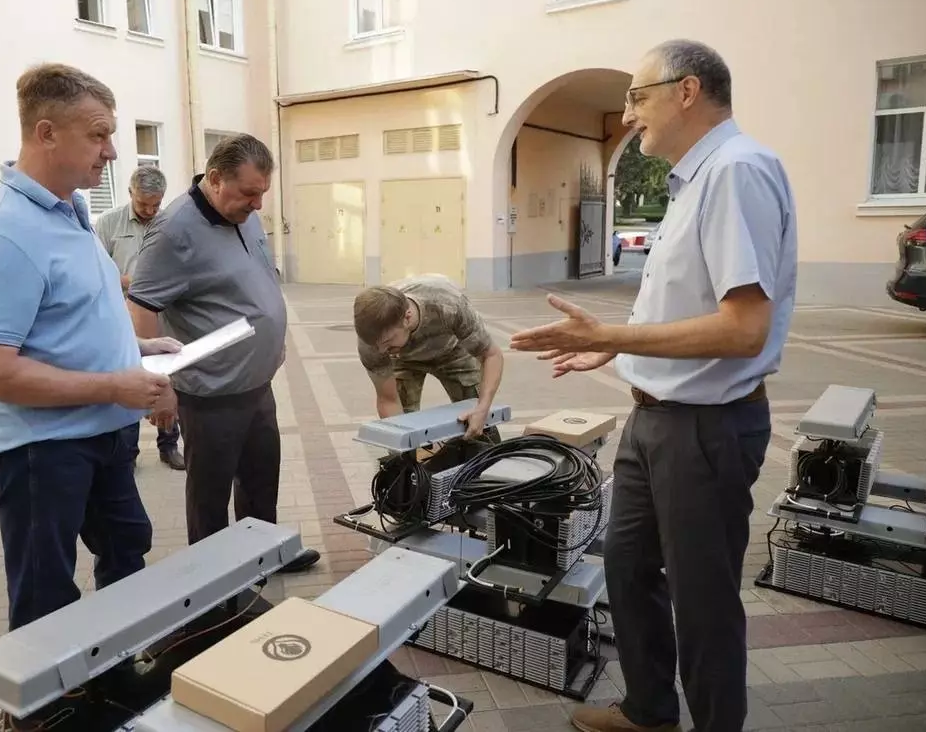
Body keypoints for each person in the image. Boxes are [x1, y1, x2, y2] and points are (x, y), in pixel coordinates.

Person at [511, 39, 797, 732]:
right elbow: (688, 311)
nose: (630, 113)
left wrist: (608, 338)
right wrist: (617, 354)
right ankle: (648, 712)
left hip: (704, 431)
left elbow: (742, 329)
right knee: (628, 568)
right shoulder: (696, 180)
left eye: (639, 96)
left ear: (688, 91)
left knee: (701, 600)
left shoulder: (735, 172)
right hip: (656, 420)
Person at [0, 63, 182, 638]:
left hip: (100, 434)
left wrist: (140, 345)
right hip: (40, 450)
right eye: (99, 134)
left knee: (127, 546)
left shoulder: (70, 213)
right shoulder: (6, 232)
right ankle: (41, 714)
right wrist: (116, 386)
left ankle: (119, 673)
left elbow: (70, 320)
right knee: (45, 591)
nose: (111, 153)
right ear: (47, 133)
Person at [127, 133, 320, 573]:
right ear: (215, 179)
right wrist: (161, 386)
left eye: (263, 194)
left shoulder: (244, 214)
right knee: (209, 495)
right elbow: (142, 307)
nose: (258, 205)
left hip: (256, 382)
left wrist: (274, 335)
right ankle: (214, 582)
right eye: (250, 193)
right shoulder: (173, 231)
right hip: (210, 391)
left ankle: (264, 554)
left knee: (260, 478)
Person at [96, 165, 185, 471]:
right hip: (122, 317)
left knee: (164, 378)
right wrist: (134, 283)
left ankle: (169, 445)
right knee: (131, 379)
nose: (149, 210)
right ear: (130, 193)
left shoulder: (171, 224)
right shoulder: (108, 223)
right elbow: (97, 271)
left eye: (155, 204)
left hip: (163, 315)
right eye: (142, 203)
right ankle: (128, 452)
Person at [353, 275, 504, 441]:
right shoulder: (372, 340)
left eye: (387, 341)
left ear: (407, 318)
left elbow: (491, 354)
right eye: (377, 345)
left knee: (477, 416)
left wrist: (482, 408)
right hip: (404, 360)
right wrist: (404, 449)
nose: (382, 350)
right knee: (401, 427)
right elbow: (388, 399)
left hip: (452, 352)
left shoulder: (448, 305)